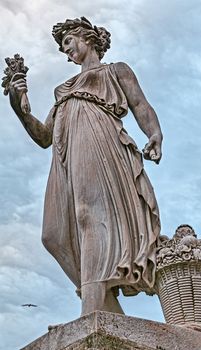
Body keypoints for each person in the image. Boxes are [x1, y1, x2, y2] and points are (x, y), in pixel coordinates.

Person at [9, 17, 163, 316]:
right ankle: (106, 307)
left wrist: (154, 134)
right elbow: (43, 137)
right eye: (62, 47)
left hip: (100, 141)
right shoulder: (62, 89)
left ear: (87, 38)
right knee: (52, 235)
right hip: (67, 156)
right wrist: (18, 106)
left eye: (68, 42)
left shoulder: (115, 70)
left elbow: (140, 105)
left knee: (88, 215)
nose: (66, 51)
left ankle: (91, 309)